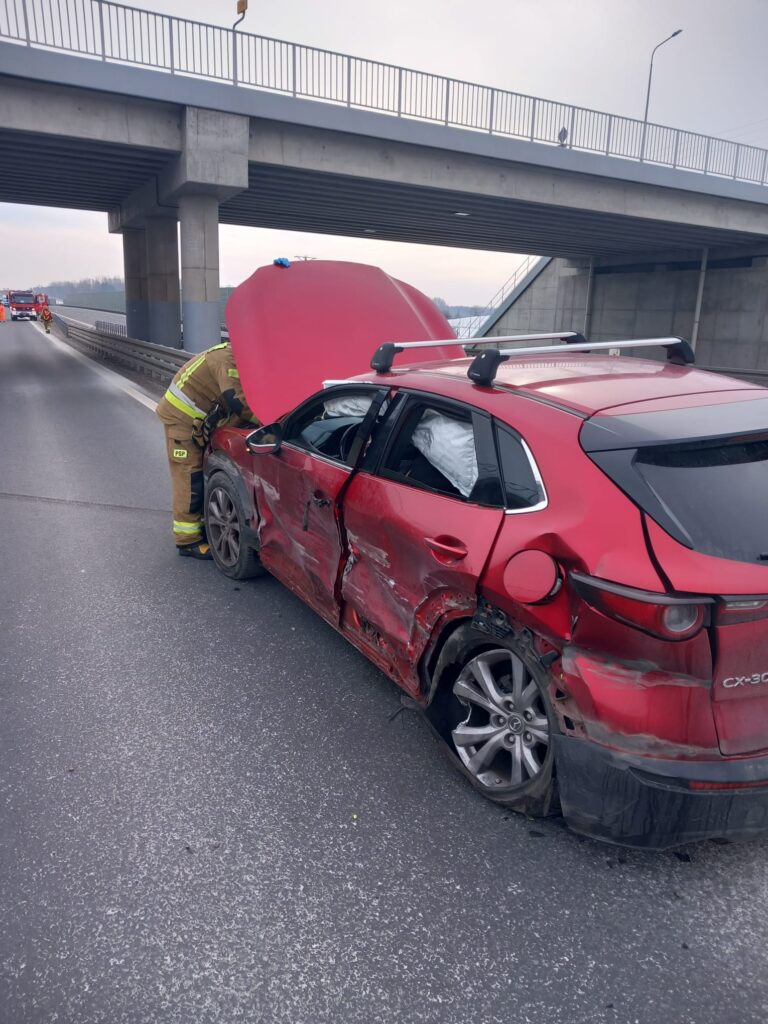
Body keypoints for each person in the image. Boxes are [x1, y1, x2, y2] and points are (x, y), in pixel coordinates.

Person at [156, 341, 259, 559]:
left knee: (197, 474)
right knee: (189, 477)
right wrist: (266, 421)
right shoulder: (227, 360)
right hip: (181, 419)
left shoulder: (232, 354)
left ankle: (200, 524)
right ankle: (188, 541)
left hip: (194, 418)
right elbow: (236, 401)